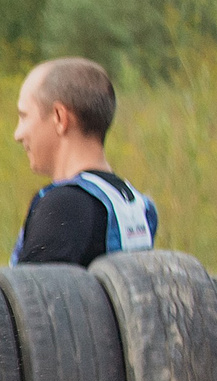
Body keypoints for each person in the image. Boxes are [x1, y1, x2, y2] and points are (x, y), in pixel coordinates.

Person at [9, 55, 156, 265]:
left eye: (24, 116)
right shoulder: (135, 204)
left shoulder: (64, 206)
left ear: (60, 117)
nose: (18, 134)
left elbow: (32, 294)